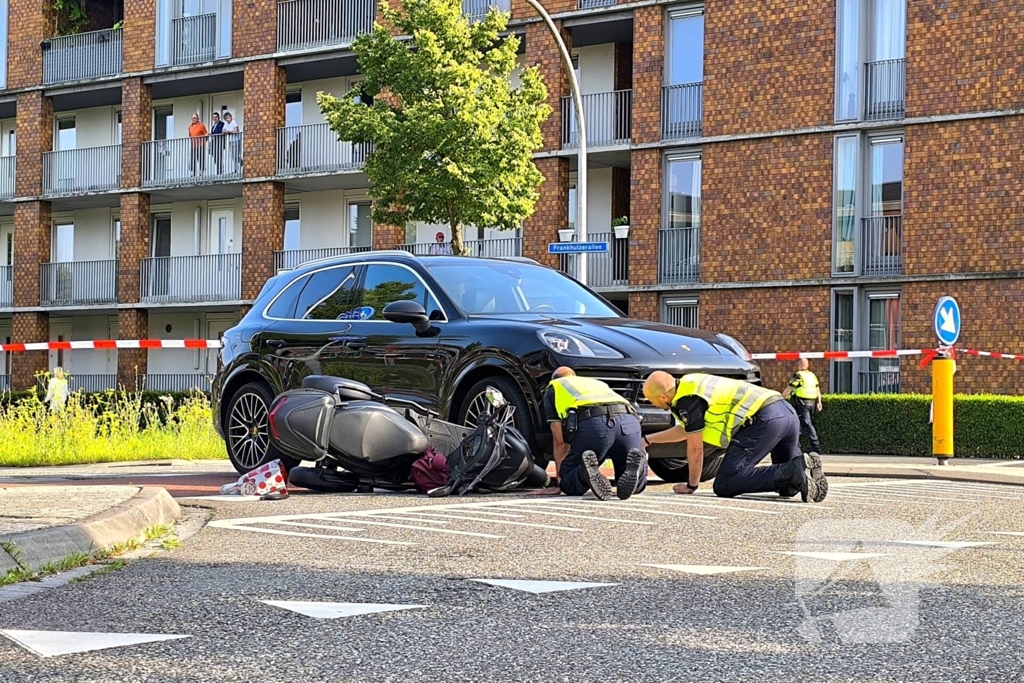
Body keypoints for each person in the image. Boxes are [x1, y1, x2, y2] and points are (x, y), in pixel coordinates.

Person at [641, 371, 827, 503]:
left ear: (664, 397)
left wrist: (692, 485)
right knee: (788, 487)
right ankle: (804, 469)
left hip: (762, 419)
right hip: (785, 412)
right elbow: (686, 431)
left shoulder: (687, 401)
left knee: (725, 483)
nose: (653, 404)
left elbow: (695, 448)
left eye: (652, 401)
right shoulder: (691, 385)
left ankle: (799, 467)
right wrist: (648, 440)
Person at [543, 366, 646, 500]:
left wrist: (560, 481)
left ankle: (583, 472)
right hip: (629, 423)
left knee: (568, 482)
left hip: (594, 426)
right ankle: (637, 471)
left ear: (554, 378)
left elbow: (560, 442)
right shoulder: (596, 383)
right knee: (629, 472)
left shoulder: (554, 387)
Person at [781, 358, 822, 454]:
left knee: (807, 425)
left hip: (802, 404)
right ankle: (796, 448)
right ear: (807, 365)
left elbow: (789, 389)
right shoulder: (812, 375)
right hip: (812, 403)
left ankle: (816, 447)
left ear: (799, 365)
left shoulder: (798, 375)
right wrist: (819, 403)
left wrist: (779, 398)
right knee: (799, 425)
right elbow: (817, 389)